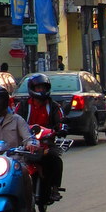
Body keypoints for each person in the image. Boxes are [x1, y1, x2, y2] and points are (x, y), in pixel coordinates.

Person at [13, 73, 66, 201]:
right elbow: (14, 121)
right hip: (25, 144)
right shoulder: (23, 106)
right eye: (38, 88)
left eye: (43, 87)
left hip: (45, 144)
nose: (41, 90)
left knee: (56, 161)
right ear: (32, 88)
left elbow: (61, 121)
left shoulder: (53, 106)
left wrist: (61, 129)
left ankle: (54, 188)